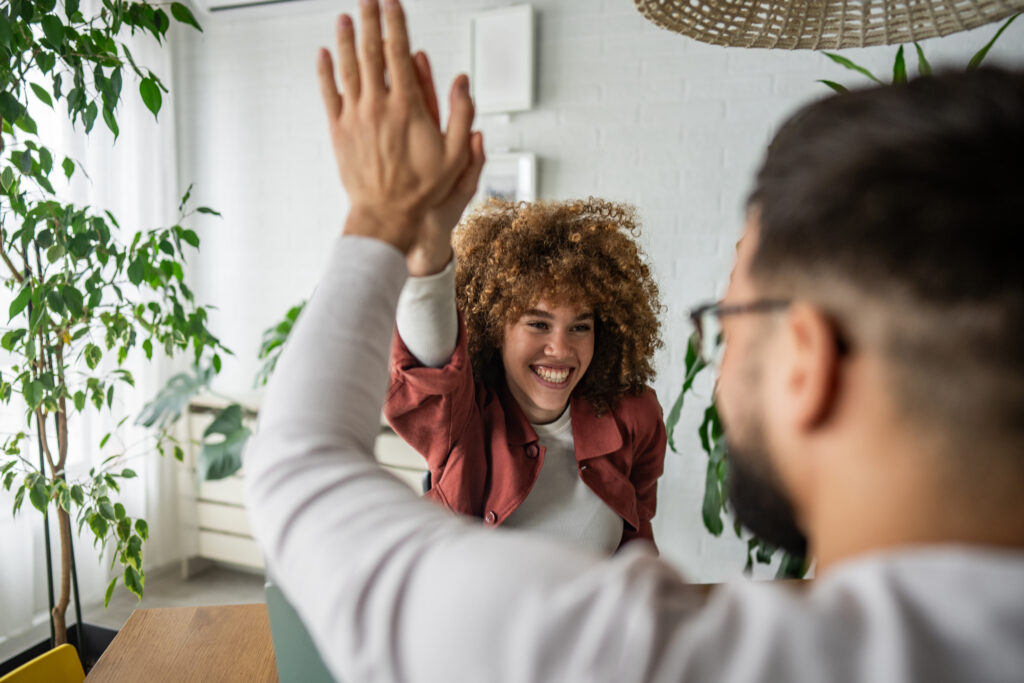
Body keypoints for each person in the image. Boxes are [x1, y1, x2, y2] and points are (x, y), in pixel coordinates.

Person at [244, 2, 1024, 681]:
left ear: (807, 364)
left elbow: (296, 469)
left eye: (731, 317)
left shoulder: (621, 652)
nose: (715, 366)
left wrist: (381, 215)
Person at [387, 195, 666, 554]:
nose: (561, 349)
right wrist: (428, 240)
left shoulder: (634, 417)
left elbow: (638, 546)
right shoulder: (464, 421)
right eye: (538, 324)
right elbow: (428, 362)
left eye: (580, 327)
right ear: (493, 329)